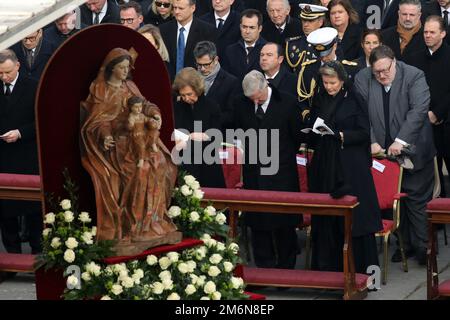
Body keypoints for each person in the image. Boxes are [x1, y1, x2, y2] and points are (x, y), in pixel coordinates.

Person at [80, 48, 178, 249]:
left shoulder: (130, 86)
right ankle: (133, 225)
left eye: (127, 68)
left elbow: (146, 105)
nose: (126, 71)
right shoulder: (101, 90)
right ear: (111, 69)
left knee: (161, 164)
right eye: (121, 68)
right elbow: (97, 122)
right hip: (119, 146)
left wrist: (155, 113)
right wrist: (106, 136)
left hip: (140, 139)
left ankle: (153, 221)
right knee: (138, 172)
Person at [354, 45, 435, 265]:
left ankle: (424, 249)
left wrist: (400, 141)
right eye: (376, 72)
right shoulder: (363, 77)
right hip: (382, 155)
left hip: (413, 151)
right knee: (392, 201)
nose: (381, 75)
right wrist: (370, 141)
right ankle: (404, 247)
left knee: (416, 202)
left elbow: (419, 110)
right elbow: (360, 112)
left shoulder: (414, 75)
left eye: (385, 70)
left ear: (394, 62)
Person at [305, 60, 382, 273]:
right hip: (325, 164)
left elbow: (363, 132)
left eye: (333, 82)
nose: (329, 87)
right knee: (327, 217)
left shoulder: (355, 100)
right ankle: (328, 271)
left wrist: (341, 135)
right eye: (325, 82)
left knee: (355, 220)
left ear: (342, 80)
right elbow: (313, 123)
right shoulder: (320, 98)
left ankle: (361, 272)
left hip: (350, 166)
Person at [232, 70, 303, 269]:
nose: (255, 101)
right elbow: (239, 131)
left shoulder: (287, 103)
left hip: (282, 173)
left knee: (284, 224)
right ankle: (264, 267)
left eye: (258, 97)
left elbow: (296, 136)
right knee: (258, 223)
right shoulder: (241, 103)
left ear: (266, 86)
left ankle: (286, 269)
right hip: (254, 172)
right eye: (251, 99)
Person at [0, 50, 42, 255]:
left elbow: (42, 120)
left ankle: (37, 252)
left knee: (33, 209)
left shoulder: (33, 86)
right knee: (5, 212)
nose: (4, 77)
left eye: (7, 72)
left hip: (26, 156)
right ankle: (12, 255)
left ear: (17, 66)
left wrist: (20, 133)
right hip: (3, 157)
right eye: (0, 73)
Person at [406, 15, 450, 198]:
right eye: (425, 32)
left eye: (432, 32)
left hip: (447, 124)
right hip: (423, 126)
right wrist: (424, 114)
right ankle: (435, 221)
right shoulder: (414, 58)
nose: (428, 35)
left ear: (443, 34)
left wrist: (437, 113)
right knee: (431, 173)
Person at [172, 67, 226, 188]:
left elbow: (217, 137)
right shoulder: (176, 108)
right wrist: (190, 137)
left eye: (189, 94)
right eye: (183, 95)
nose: (186, 98)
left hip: (207, 166)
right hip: (184, 164)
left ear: (198, 89)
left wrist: (205, 136)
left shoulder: (212, 107)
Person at [297, 27, 360, 120]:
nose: (323, 58)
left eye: (327, 54)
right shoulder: (307, 69)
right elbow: (302, 100)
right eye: (320, 54)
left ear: (334, 46)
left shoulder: (350, 70)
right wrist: (308, 117)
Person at [159, 0, 217, 80]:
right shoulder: (163, 30)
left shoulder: (207, 30)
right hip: (169, 82)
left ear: (193, 8)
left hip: (196, 83)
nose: (176, 11)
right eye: (175, 7)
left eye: (181, 8)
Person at [193, 41, 238, 131]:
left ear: (216, 60)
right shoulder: (192, 78)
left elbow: (232, 115)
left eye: (206, 64)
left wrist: (209, 121)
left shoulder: (231, 82)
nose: (202, 69)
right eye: (199, 64)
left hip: (217, 135)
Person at [222, 9, 267, 81]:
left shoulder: (268, 49)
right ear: (240, 27)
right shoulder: (230, 51)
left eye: (252, 27)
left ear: (260, 28)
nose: (247, 31)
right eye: (244, 27)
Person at [285, 3, 328, 74]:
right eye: (304, 20)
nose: (306, 25)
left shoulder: (328, 42)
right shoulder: (292, 44)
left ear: (320, 22)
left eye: (310, 21)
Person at [127, 96, 160, 167]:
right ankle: (141, 160)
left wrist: (152, 120)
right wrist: (130, 124)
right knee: (141, 145)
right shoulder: (131, 117)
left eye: (140, 107)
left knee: (155, 132)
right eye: (136, 107)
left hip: (143, 132)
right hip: (137, 134)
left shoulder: (142, 115)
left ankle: (153, 144)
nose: (139, 109)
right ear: (131, 107)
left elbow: (147, 119)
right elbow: (129, 128)